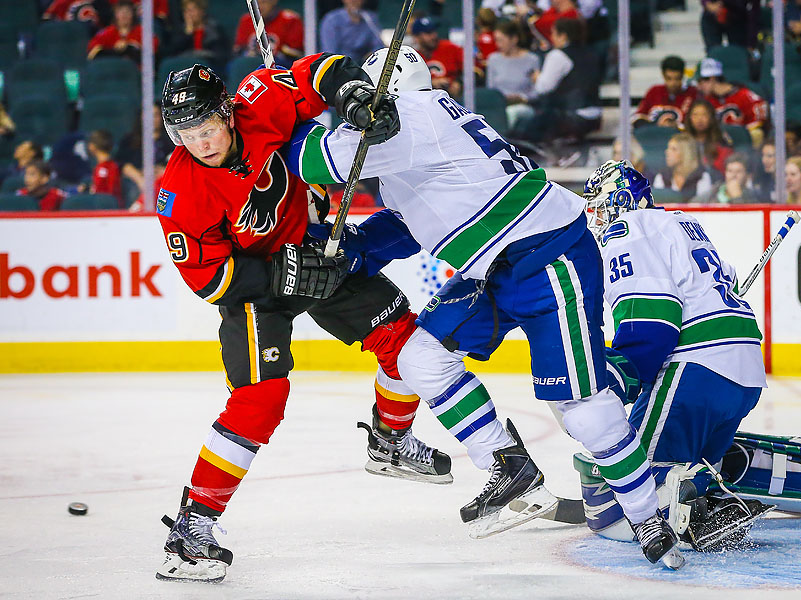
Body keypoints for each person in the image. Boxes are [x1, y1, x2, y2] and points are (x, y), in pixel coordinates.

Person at [288, 46, 684, 570]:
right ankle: (506, 460)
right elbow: (416, 221)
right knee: (419, 355)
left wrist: (287, 114)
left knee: (583, 411)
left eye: (363, 90)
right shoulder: (423, 125)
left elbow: (314, 160)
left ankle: (646, 515)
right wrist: (357, 245)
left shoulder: (407, 118)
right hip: (495, 268)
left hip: (548, 259)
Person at [154, 57, 451, 583]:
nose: (198, 143)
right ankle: (193, 524)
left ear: (226, 112)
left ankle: (390, 440)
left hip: (313, 248)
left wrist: (353, 96)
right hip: (256, 290)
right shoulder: (179, 192)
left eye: (205, 127)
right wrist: (281, 277)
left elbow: (322, 71)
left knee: (402, 337)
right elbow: (209, 281)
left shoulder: (260, 98)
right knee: (261, 399)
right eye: (184, 133)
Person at [575, 161, 801, 550]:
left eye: (601, 206)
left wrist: (618, 378)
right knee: (693, 467)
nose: (597, 217)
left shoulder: (628, 230)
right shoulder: (682, 223)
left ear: (622, 200)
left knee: (619, 501)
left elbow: (651, 323)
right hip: (743, 371)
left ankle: (700, 509)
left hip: (695, 370)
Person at [515, 17, 602, 143]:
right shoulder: (592, 53)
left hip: (572, 117)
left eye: (554, 33)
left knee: (527, 124)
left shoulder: (557, 55)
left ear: (563, 36)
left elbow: (543, 88)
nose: (552, 37)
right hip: (595, 118)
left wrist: (537, 77)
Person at [696, 58, 768, 148]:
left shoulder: (746, 96)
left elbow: (759, 127)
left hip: (743, 148)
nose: (699, 87)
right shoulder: (705, 100)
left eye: (700, 82)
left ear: (712, 78)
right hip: (715, 147)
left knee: (757, 133)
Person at [485, 20, 540, 131]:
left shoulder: (532, 59)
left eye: (501, 40)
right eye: (496, 40)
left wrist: (522, 98)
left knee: (510, 113)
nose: (497, 44)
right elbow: (490, 89)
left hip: (524, 105)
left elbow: (537, 91)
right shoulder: (493, 59)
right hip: (499, 105)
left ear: (514, 39)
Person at [632, 55, 698, 129]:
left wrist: (678, 127)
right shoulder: (654, 91)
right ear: (663, 75)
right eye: (669, 78)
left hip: (681, 138)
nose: (673, 83)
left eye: (677, 78)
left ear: (682, 76)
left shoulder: (693, 93)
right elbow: (637, 117)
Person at [166, 0, 229, 72]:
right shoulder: (180, 31)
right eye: (186, 11)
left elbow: (219, 54)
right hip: (185, 69)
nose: (189, 14)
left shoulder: (214, 29)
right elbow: (173, 51)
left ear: (201, 11)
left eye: (192, 10)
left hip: (209, 68)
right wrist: (188, 33)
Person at [233, 0, 304, 64]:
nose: (259, 6)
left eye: (264, 2)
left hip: (280, 65)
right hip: (251, 65)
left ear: (274, 1)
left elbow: (295, 52)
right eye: (256, 3)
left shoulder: (290, 19)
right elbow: (240, 48)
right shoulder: (246, 20)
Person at [87, 0, 158, 63]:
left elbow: (153, 47)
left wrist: (132, 46)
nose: (124, 15)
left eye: (128, 11)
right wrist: (113, 49)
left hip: (137, 71)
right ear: (115, 14)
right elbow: (93, 48)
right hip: (113, 69)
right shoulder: (108, 31)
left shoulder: (142, 31)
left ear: (133, 15)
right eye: (121, 12)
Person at [411, 17, 464, 98]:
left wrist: (459, 82)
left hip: (453, 100)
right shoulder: (412, 57)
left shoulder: (450, 48)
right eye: (428, 33)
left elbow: (474, 71)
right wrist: (431, 83)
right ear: (416, 37)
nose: (433, 36)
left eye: (434, 31)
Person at [652, 132, 714, 201]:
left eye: (673, 149)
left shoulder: (702, 177)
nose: (667, 152)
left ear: (686, 153)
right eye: (668, 148)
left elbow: (704, 204)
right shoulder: (662, 176)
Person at [319, 0, 383, 64]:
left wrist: (372, 55)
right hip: (340, 67)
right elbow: (329, 53)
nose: (353, 1)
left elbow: (378, 46)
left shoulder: (370, 18)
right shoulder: (332, 20)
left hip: (364, 66)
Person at [685, 98, 733, 177]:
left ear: (711, 118)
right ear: (690, 118)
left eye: (704, 115)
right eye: (695, 115)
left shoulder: (721, 140)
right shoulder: (683, 141)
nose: (699, 119)